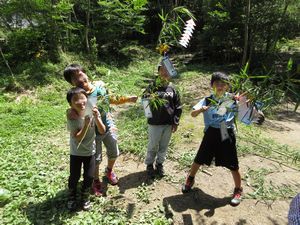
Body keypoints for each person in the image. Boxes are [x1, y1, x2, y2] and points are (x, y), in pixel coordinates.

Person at [63, 64, 138, 196]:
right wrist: (69, 111)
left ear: (85, 73)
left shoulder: (100, 86)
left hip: (108, 126)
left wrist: (127, 99)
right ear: (72, 83)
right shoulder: (79, 95)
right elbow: (73, 107)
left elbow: (111, 99)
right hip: (93, 133)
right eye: (74, 78)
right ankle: (95, 180)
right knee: (96, 159)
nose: (79, 78)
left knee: (114, 151)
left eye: (80, 73)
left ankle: (109, 171)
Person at [181, 72, 243, 207]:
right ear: (212, 85)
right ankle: (190, 179)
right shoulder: (208, 99)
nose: (220, 86)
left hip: (224, 130)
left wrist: (248, 106)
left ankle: (238, 190)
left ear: (227, 86)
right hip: (211, 131)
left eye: (223, 84)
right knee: (199, 158)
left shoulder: (233, 99)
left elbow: (248, 113)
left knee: (232, 161)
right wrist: (200, 110)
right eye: (217, 83)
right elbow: (192, 113)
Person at [66, 87, 106, 211]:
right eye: (75, 100)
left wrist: (97, 118)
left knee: (89, 177)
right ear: (71, 104)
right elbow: (78, 138)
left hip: (90, 152)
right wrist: (86, 124)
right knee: (74, 176)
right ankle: (72, 197)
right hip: (76, 152)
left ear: (87, 99)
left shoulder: (92, 112)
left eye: (83, 98)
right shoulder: (72, 117)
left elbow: (102, 130)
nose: (81, 101)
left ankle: (85, 197)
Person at [142, 63, 182, 178]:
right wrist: (149, 116)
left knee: (164, 146)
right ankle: (149, 164)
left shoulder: (172, 88)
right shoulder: (152, 87)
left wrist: (175, 122)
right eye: (162, 70)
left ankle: (160, 164)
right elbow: (144, 100)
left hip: (168, 124)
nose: (165, 72)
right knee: (153, 145)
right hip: (155, 123)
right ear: (158, 71)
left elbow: (178, 106)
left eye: (167, 70)